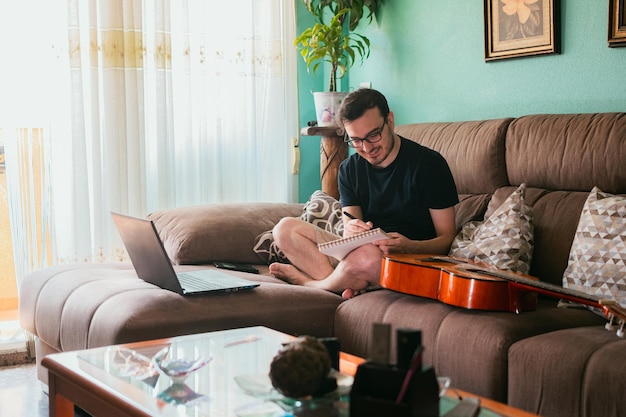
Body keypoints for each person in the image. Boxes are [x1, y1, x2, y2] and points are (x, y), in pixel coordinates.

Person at [269, 88, 458, 298]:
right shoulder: (349, 169)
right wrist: (351, 231)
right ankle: (345, 282)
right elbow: (350, 227)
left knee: (366, 256)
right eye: (356, 141)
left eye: (373, 135)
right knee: (284, 229)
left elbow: (447, 238)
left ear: (390, 121)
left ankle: (311, 284)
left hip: (406, 260)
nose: (367, 148)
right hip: (361, 254)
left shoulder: (429, 165)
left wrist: (409, 246)